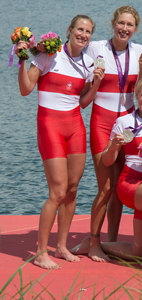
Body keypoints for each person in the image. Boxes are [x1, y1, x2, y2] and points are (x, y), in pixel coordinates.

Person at [16, 15, 104, 269]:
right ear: (70, 30)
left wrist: (96, 83)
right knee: (57, 191)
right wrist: (23, 61)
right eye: (80, 29)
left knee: (72, 188)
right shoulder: (48, 55)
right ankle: (40, 252)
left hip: (75, 125)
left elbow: (83, 102)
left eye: (88, 32)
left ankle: (61, 246)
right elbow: (25, 89)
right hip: (49, 125)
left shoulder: (88, 62)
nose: (83, 35)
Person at [71, 75, 142, 274]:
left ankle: (94, 244)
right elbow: (107, 161)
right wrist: (113, 146)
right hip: (131, 183)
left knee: (139, 253)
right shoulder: (123, 122)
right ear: (136, 95)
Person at [84, 6, 142, 263]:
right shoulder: (95, 48)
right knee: (106, 187)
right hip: (102, 123)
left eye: (130, 25)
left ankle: (110, 242)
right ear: (113, 23)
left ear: (136, 28)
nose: (125, 28)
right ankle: (94, 242)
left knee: (122, 186)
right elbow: (71, 55)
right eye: (121, 23)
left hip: (128, 126)